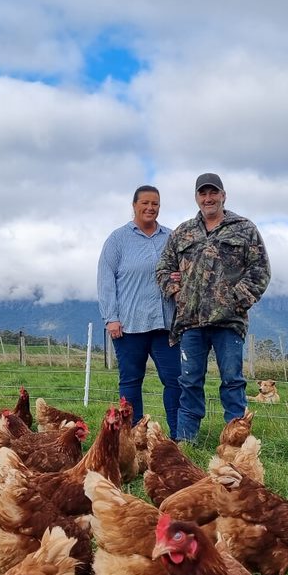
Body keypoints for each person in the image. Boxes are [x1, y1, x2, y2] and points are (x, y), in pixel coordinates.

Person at [156, 172, 270, 443]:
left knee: (232, 381)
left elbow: (260, 271)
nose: (208, 198)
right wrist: (176, 292)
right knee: (189, 382)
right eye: (203, 193)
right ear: (197, 197)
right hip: (190, 322)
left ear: (223, 195)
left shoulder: (244, 228)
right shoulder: (183, 232)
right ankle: (186, 442)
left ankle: (237, 442)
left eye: (213, 193)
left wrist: (234, 301)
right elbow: (163, 268)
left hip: (228, 323)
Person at [97, 184, 182, 435]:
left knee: (175, 381)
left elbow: (184, 269)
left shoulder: (171, 237)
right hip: (129, 326)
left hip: (165, 326)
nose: (150, 207)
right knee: (131, 382)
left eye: (154, 203)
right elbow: (105, 280)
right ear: (134, 205)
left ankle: (178, 435)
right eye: (144, 203)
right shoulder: (118, 239)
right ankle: (133, 437)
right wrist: (111, 318)